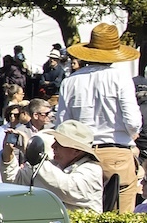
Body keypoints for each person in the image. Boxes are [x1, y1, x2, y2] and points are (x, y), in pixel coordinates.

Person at [56, 23, 142, 213]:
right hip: (115, 152)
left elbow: (61, 125)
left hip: (80, 154)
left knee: (83, 216)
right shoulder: (121, 78)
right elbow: (133, 122)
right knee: (121, 222)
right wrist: (133, 135)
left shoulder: (70, 81)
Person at [14, 118, 105, 212]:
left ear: (77, 150)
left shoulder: (92, 169)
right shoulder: (54, 165)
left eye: (59, 144)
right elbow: (18, 181)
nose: (53, 146)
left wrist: (34, 155)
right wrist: (8, 158)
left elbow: (67, 189)